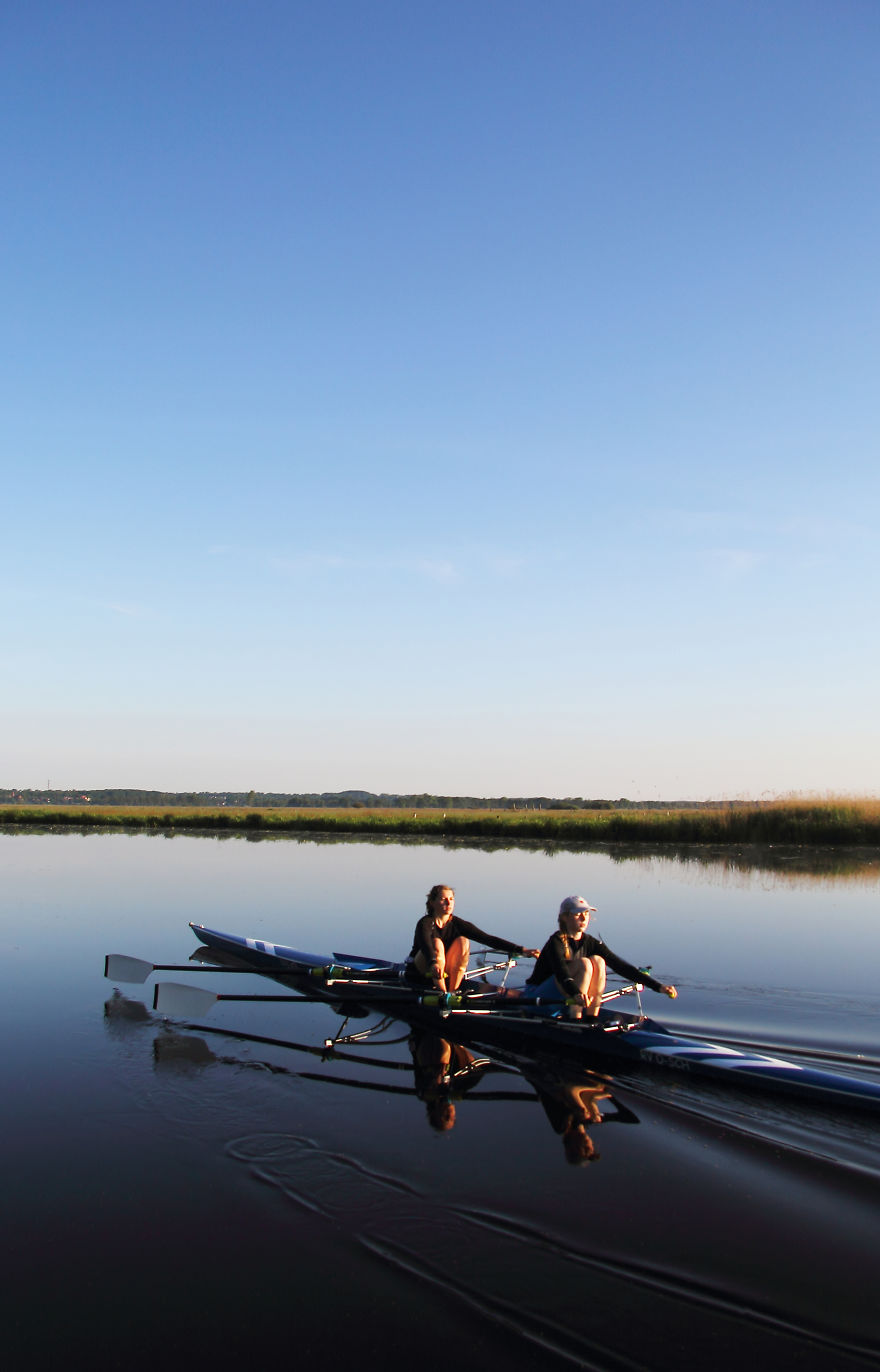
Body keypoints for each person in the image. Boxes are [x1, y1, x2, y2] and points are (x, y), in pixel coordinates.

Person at [525, 895, 677, 1018]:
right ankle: (575, 1018)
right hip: (537, 999)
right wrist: (576, 993)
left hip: (569, 996)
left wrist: (658, 986)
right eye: (578, 914)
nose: (584, 919)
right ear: (565, 917)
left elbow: (621, 967)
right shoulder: (556, 941)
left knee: (599, 961)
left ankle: (591, 1018)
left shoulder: (591, 943)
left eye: (586, 914)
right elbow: (561, 972)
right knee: (584, 964)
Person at [407, 884, 540, 993]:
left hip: (444, 970)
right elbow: (425, 944)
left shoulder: (458, 924)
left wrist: (521, 950)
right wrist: (433, 962)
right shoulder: (425, 923)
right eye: (443, 899)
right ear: (432, 903)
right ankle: (442, 993)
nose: (448, 902)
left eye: (451, 899)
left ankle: (452, 992)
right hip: (422, 970)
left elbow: (488, 939)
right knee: (436, 943)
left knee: (463, 941)